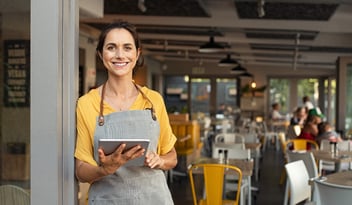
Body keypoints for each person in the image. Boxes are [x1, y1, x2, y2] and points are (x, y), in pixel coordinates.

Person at [74, 20, 177, 204]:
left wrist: (160, 161)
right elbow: (81, 170)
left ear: (137, 54)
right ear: (100, 54)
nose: (120, 55)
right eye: (111, 47)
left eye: (127, 48)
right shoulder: (86, 104)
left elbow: (172, 156)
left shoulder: (153, 100)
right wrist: (104, 170)